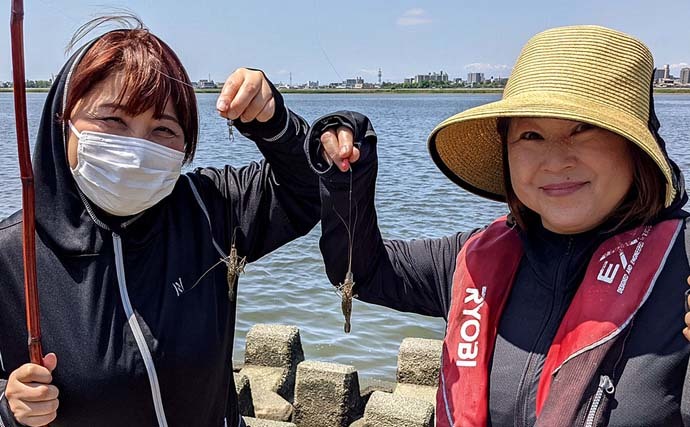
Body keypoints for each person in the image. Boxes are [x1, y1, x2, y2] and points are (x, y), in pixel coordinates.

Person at [307, 25, 690, 426]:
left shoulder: (683, 263)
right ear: (506, 151)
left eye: (583, 129)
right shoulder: (469, 260)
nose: (555, 161)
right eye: (530, 135)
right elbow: (359, 272)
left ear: (635, 147)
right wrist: (347, 174)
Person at [0, 16, 320, 427]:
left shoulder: (210, 207)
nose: (136, 149)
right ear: (62, 120)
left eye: (163, 129)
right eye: (113, 121)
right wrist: (10, 408)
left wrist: (274, 123)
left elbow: (312, 190)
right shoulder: (12, 255)